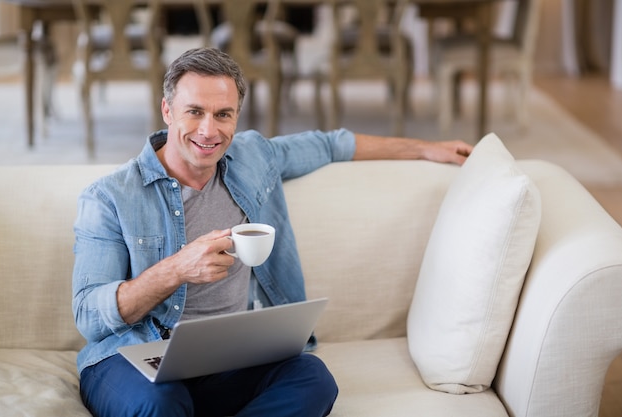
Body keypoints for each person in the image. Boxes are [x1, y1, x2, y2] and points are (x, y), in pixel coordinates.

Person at [72, 47, 473, 417]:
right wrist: (177, 268)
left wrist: (424, 149)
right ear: (167, 110)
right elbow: (89, 316)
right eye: (194, 112)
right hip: (133, 356)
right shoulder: (110, 197)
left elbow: (332, 144)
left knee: (312, 379)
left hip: (225, 359)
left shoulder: (252, 157)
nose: (209, 131)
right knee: (161, 402)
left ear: (237, 117)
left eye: (223, 114)